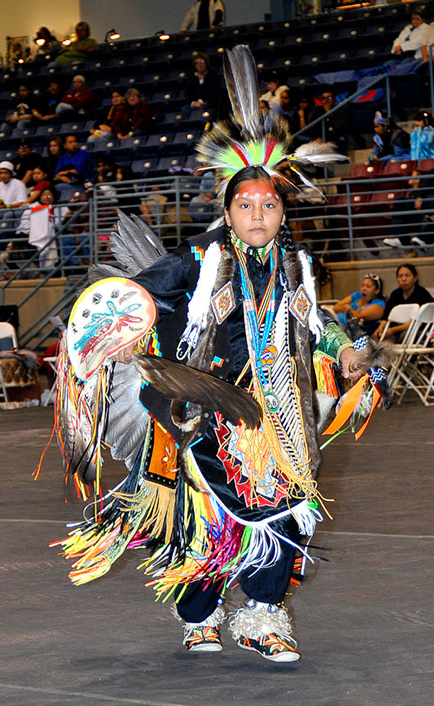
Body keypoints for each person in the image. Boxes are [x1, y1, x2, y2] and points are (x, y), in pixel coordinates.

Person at [51, 46, 382, 665]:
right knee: (209, 521)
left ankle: (262, 613)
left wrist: (348, 352)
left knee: (285, 503)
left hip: (276, 409)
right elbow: (134, 297)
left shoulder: (296, 265)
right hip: (196, 405)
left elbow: (316, 325)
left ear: (283, 212)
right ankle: (199, 612)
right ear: (227, 211)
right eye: (246, 205)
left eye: (270, 205)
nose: (258, 215)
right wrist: (109, 336)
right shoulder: (198, 259)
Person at [374, 263, 434, 340]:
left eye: (407, 275)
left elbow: (417, 323)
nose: (403, 279)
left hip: (417, 330)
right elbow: (386, 317)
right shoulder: (395, 294)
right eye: (400, 276)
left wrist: (392, 330)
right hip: (395, 330)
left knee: (405, 336)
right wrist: (381, 329)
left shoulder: (423, 295)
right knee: (375, 337)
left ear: (415, 278)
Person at [53, 133, 95, 199]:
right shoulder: (63, 157)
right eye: (70, 142)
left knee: (57, 188)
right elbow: (56, 175)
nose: (73, 144)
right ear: (65, 145)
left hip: (82, 183)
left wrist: (65, 172)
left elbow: (78, 171)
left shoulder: (82, 154)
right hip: (68, 183)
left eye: (75, 141)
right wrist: (61, 178)